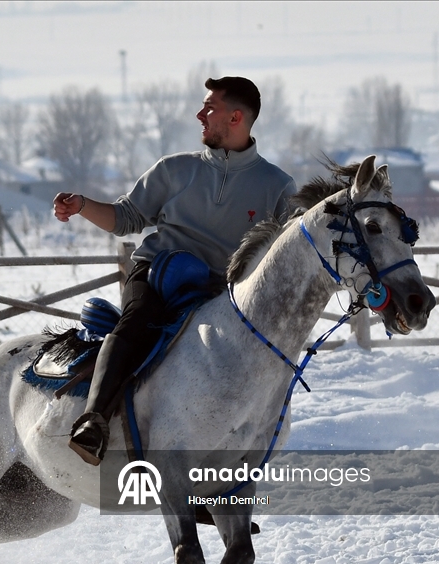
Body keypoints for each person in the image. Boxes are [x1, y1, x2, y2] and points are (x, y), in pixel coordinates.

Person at [53, 76, 297, 466]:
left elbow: (291, 251)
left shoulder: (278, 187)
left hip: (223, 293)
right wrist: (82, 204)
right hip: (156, 275)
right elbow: (125, 218)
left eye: (210, 108)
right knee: (134, 323)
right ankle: (93, 421)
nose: (200, 114)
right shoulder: (174, 170)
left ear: (236, 117)